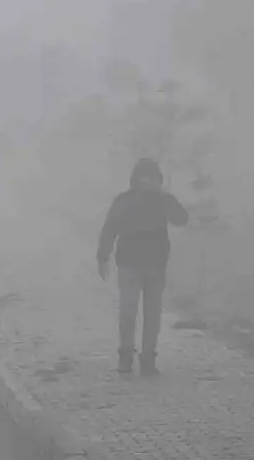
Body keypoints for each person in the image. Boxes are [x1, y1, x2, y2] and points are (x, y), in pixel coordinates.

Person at [96, 157, 189, 375]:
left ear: (158, 179)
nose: (148, 181)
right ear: (135, 178)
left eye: (153, 177)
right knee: (128, 312)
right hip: (129, 265)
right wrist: (102, 257)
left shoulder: (164, 200)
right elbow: (109, 229)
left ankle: (148, 359)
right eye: (143, 176)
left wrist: (168, 198)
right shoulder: (124, 200)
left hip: (156, 265)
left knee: (152, 314)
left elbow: (182, 219)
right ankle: (125, 356)